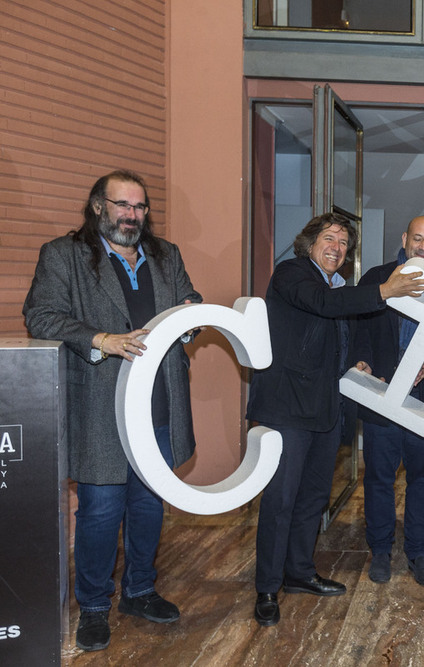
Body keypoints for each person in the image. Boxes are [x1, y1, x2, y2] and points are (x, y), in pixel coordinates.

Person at [23, 170, 201, 652]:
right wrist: (102, 340)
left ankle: (140, 591)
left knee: (148, 504)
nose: (132, 215)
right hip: (100, 405)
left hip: (159, 403)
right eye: (123, 205)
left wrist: (190, 320)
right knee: (101, 512)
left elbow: (192, 301)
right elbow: (40, 315)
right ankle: (95, 606)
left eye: (140, 207)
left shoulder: (167, 255)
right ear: (98, 206)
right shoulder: (64, 255)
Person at [246, 212, 424, 626]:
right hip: (288, 409)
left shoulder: (336, 285)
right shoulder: (291, 273)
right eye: (329, 238)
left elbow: (333, 334)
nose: (337, 248)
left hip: (325, 409)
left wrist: (355, 360)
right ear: (309, 243)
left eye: (344, 243)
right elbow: (323, 306)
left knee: (313, 499)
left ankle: (299, 573)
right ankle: (267, 587)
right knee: (281, 501)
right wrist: (385, 289)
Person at [351, 215, 424, 587]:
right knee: (379, 479)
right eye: (418, 238)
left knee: (423, 480)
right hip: (382, 394)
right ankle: (381, 550)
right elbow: (357, 325)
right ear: (405, 239)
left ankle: (419, 552)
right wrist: (363, 362)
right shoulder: (377, 278)